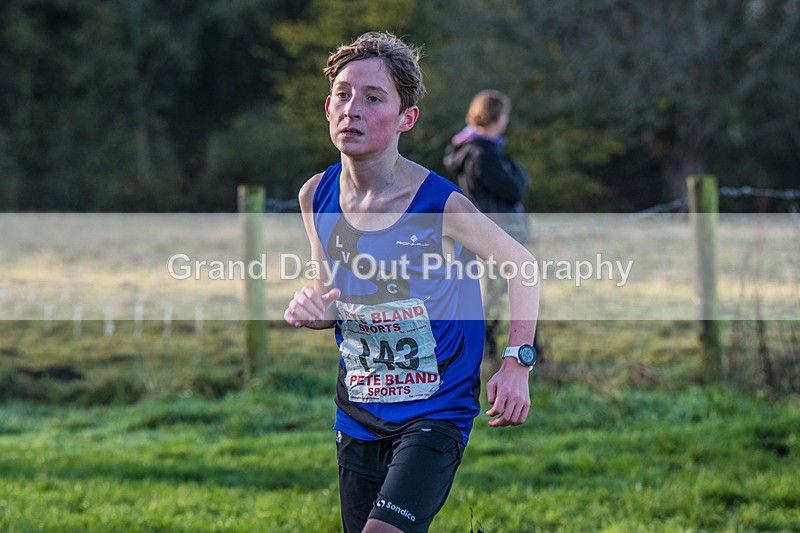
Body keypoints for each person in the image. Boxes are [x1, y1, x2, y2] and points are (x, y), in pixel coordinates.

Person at [284, 32, 539, 533]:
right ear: (327, 106)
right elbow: (331, 296)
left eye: (373, 98)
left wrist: (517, 362)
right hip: (358, 409)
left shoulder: (438, 204)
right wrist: (314, 309)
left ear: (407, 118)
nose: (352, 109)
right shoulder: (316, 194)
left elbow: (522, 265)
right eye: (342, 93)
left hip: (435, 409)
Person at [443, 90, 533, 365]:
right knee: (501, 292)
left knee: (497, 292)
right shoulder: (482, 153)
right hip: (497, 232)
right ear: (496, 116)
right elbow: (514, 187)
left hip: (490, 230)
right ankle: (496, 350)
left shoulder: (477, 148)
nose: (506, 119)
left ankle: (493, 348)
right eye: (504, 114)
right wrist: (516, 179)